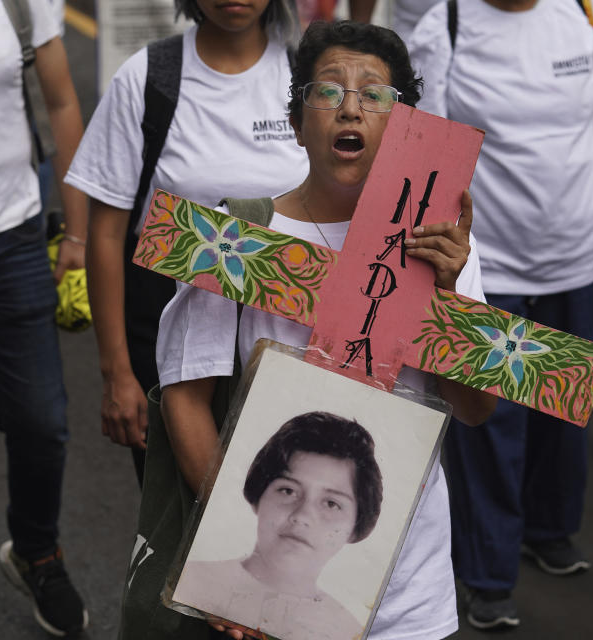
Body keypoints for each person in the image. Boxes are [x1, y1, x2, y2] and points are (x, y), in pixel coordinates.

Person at [155, 20, 496, 640]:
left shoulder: (445, 248)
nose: (352, 107)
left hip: (408, 601)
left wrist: (450, 299)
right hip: (266, 598)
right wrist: (231, 557)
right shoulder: (236, 240)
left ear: (407, 131)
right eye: (328, 90)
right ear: (296, 122)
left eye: (376, 95)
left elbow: (475, 410)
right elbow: (185, 392)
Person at [408, 0, 593, 630]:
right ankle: (487, 573)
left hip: (575, 257)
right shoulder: (446, 25)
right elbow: (425, 147)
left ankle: (551, 529)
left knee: (563, 406)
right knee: (489, 421)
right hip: (489, 264)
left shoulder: (587, 14)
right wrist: (436, 264)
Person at [65, 0, 309, 485]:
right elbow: (109, 233)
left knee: (289, 510)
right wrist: (117, 373)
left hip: (294, 335)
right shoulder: (148, 77)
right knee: (182, 521)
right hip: (170, 338)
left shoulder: (309, 74)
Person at [0, 0, 88, 634]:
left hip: (12, 240)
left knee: (42, 424)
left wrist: (75, 228)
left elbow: (63, 102)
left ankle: (37, 552)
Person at [175, 412, 382, 639]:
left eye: (331, 504)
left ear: (356, 525)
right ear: (258, 494)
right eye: (288, 490)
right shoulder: (194, 581)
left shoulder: (348, 630)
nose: (302, 516)